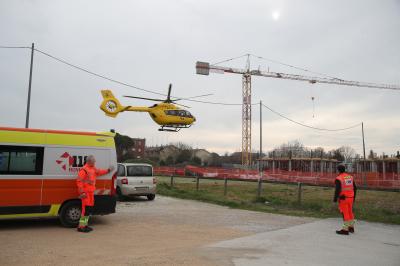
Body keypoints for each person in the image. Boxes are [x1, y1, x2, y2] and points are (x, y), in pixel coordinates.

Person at [76, 155, 114, 233]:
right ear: (89, 161)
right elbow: (79, 182)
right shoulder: (84, 170)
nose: (95, 162)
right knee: (85, 210)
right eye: (94, 161)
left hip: (91, 193)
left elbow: (100, 172)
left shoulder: (93, 169)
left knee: (88, 210)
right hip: (86, 193)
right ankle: (81, 227)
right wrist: (82, 192)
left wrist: (108, 170)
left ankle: (85, 225)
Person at [333, 164, 357, 235]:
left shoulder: (339, 178)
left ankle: (345, 230)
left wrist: (335, 199)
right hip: (351, 198)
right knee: (350, 213)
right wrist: (354, 197)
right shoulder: (350, 177)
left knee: (345, 213)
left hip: (343, 198)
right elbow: (355, 188)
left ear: (338, 170)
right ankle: (351, 227)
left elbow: (337, 190)